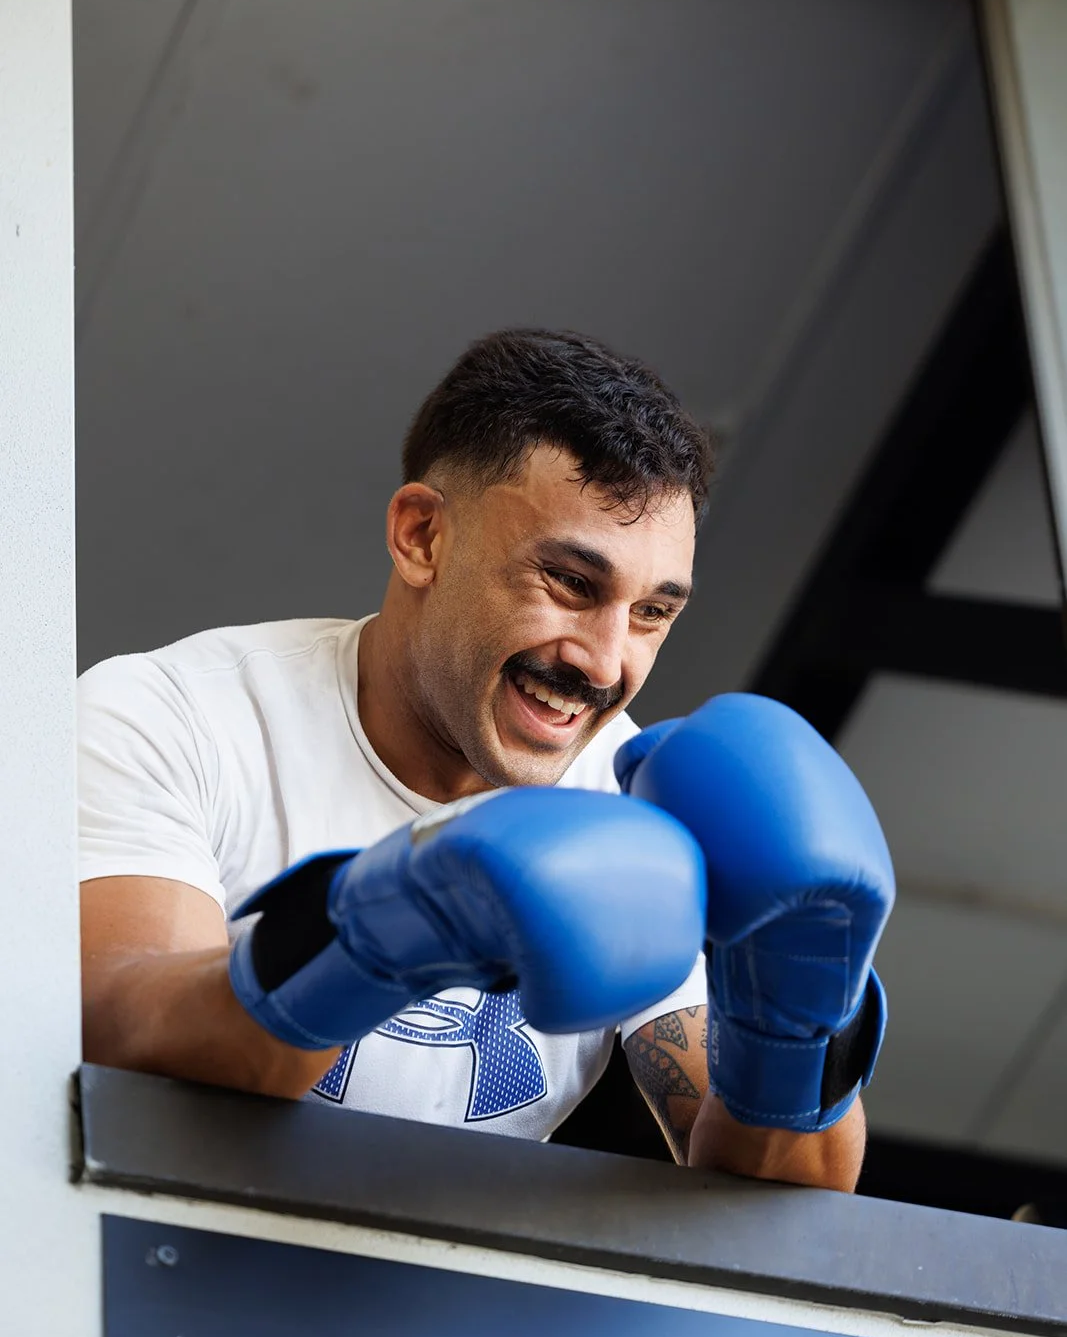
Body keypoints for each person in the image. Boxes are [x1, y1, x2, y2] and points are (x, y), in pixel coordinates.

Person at [79, 328, 889, 1193]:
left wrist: (797, 1024)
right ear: (422, 536)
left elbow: (780, 1205)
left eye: (651, 612)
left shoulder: (645, 802)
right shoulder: (174, 719)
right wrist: (374, 934)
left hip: (444, 1313)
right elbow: (120, 1039)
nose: (606, 662)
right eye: (571, 585)